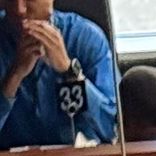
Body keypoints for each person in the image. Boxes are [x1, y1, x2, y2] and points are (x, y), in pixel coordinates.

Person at [0, 0, 114, 147]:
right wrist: (14, 76)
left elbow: (111, 128)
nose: (20, 9)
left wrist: (69, 71)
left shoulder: (85, 38)